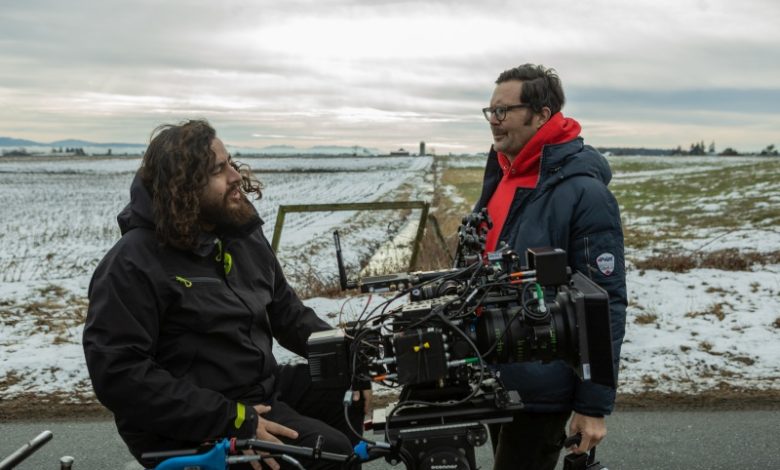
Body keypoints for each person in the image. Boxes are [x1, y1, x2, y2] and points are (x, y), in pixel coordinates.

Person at [82, 120, 369, 470]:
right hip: (190, 424)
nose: (235, 176)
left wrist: (351, 356)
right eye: (218, 170)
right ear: (183, 189)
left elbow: (288, 314)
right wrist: (230, 419)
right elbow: (119, 375)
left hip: (256, 389)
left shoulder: (240, 236)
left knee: (344, 392)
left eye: (231, 162)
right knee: (331, 454)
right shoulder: (132, 263)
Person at [475, 64, 627, 470]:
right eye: (490, 111)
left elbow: (605, 301)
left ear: (542, 114)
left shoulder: (584, 192)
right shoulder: (503, 177)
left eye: (504, 111)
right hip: (498, 373)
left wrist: (593, 405)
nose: (494, 120)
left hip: (543, 386)